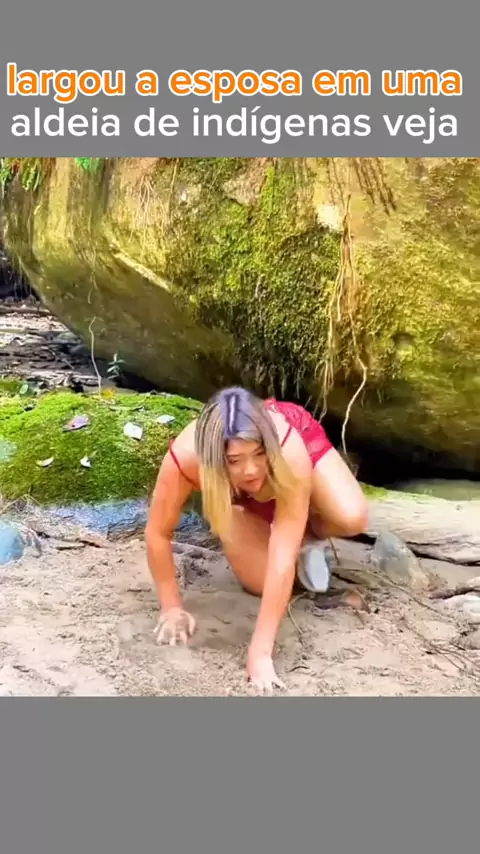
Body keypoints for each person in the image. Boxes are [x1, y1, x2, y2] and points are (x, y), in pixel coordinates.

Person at [145, 386, 369, 691]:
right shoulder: (185, 459)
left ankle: (307, 533)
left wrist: (260, 653)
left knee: (351, 517)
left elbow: (282, 552)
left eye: (258, 454)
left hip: (287, 467)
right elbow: (158, 532)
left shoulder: (287, 445)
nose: (250, 470)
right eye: (234, 460)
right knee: (260, 584)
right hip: (237, 501)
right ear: (214, 457)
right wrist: (171, 607)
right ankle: (272, 531)